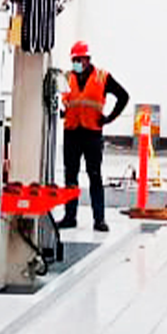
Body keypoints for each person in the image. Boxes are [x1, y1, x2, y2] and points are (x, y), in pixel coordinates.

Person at [58, 40, 129, 231]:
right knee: (70, 176)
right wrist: (63, 111)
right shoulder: (67, 77)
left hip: (92, 133)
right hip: (72, 132)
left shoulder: (102, 77)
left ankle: (99, 219)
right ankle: (70, 217)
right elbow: (63, 100)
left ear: (87, 59)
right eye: (74, 60)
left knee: (94, 175)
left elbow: (123, 96)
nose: (76, 63)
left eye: (79, 59)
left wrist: (109, 118)